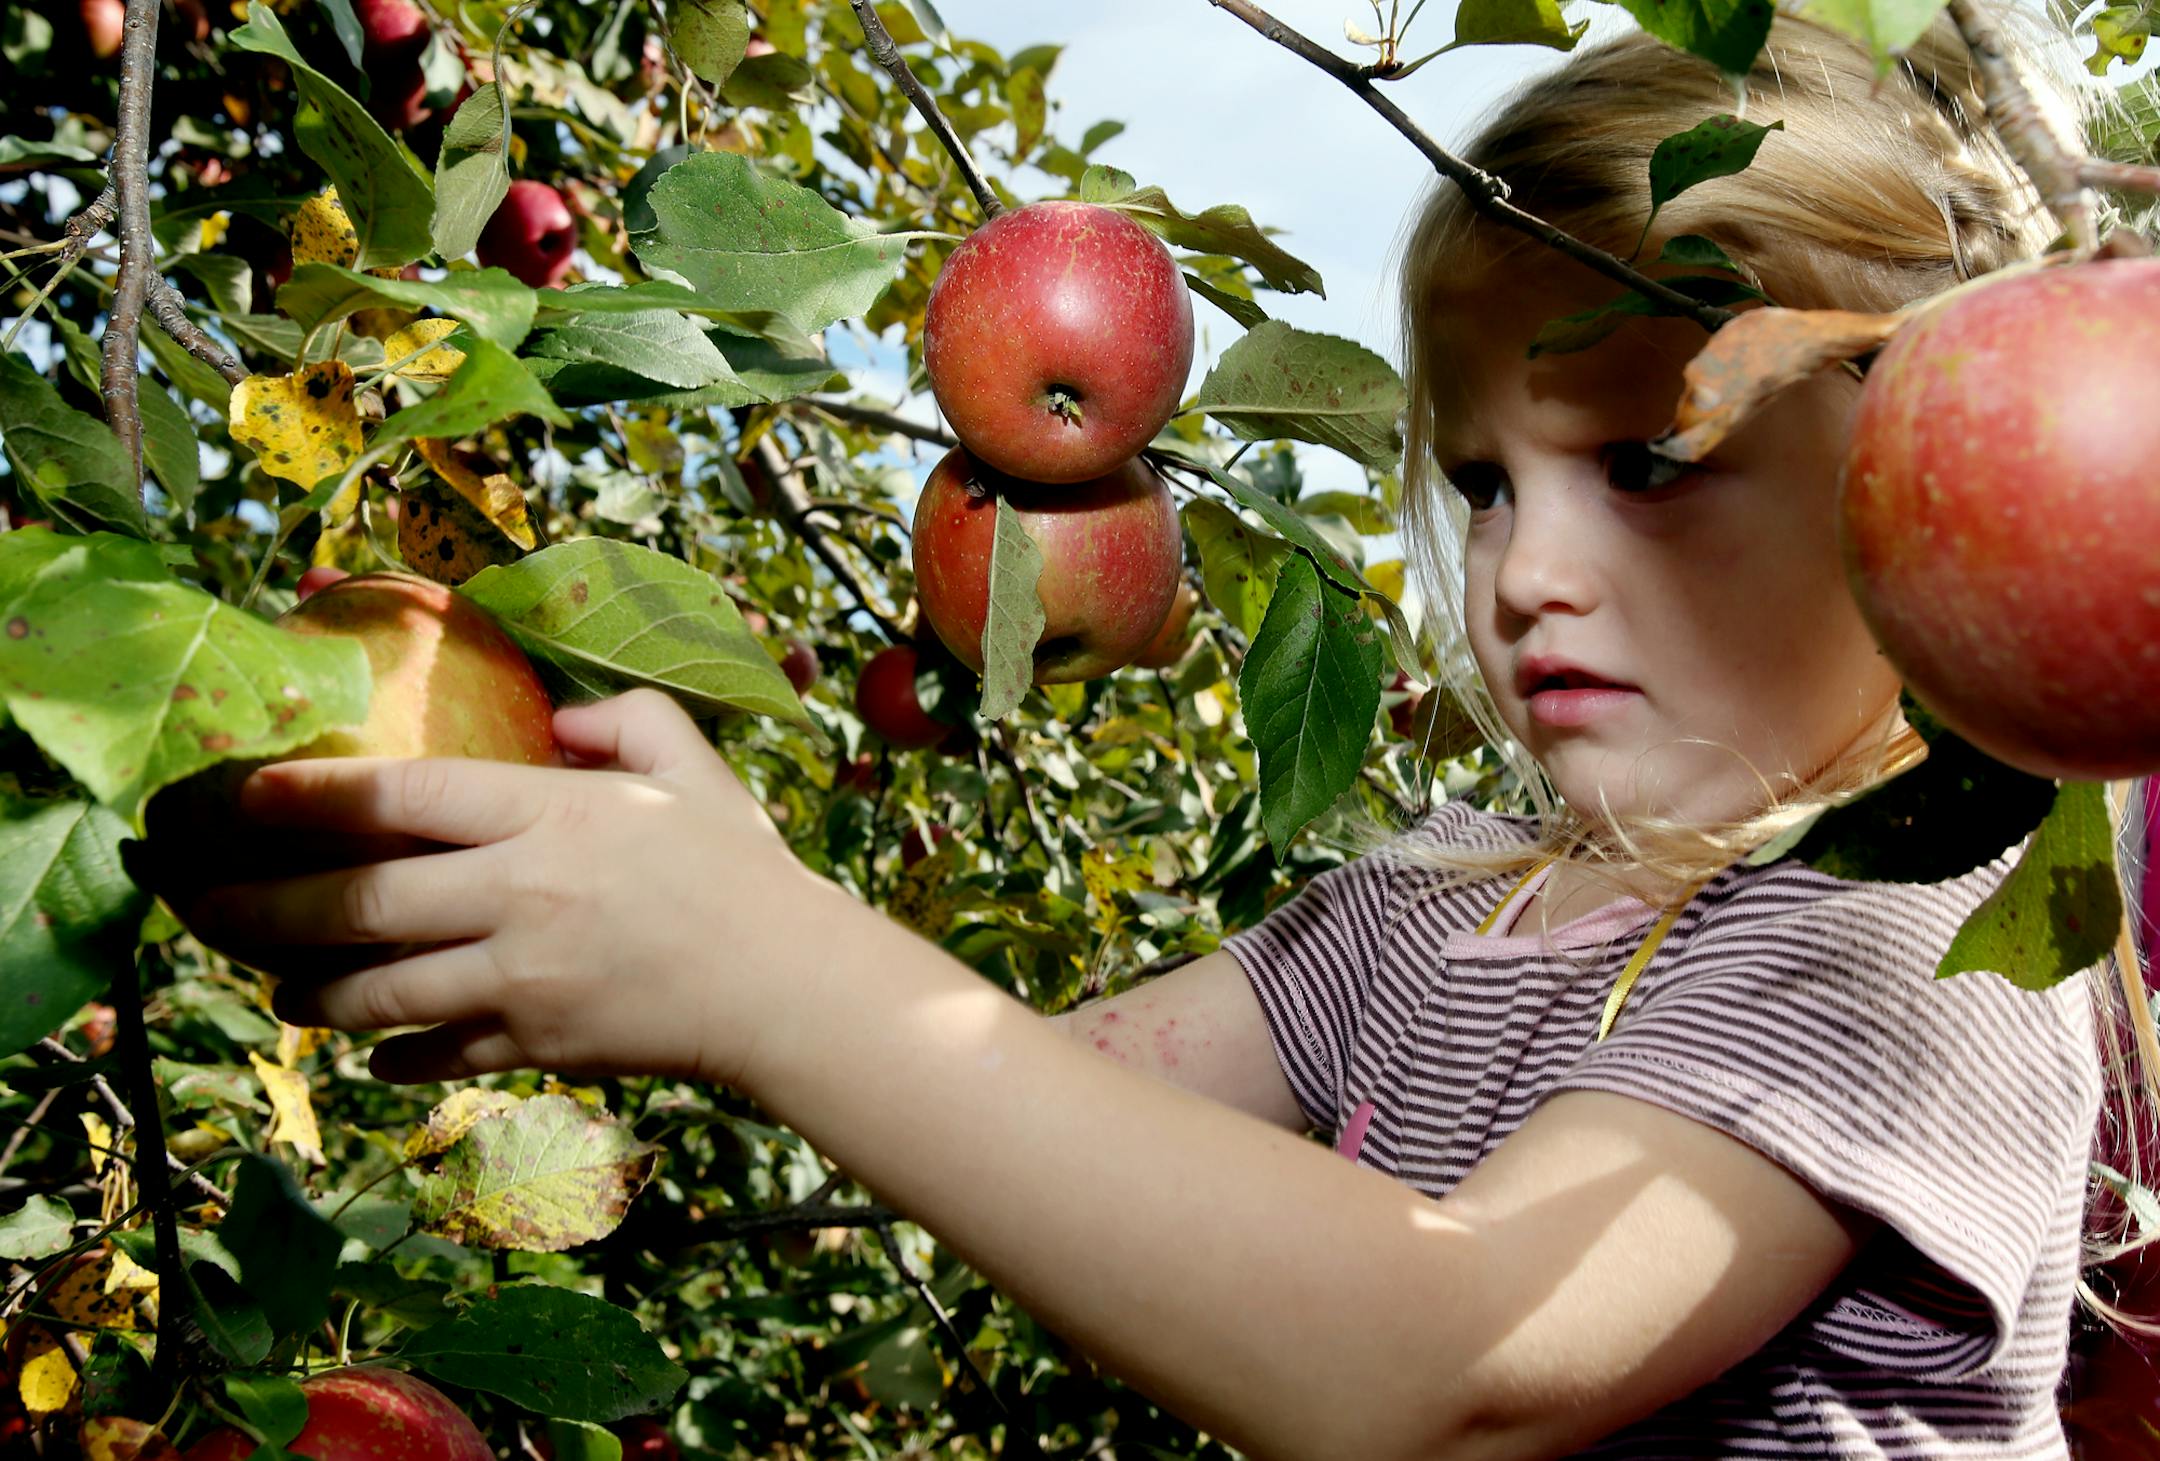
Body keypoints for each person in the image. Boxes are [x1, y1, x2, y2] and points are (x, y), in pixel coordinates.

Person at [149, 2, 2159, 1456]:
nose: (1525, 568)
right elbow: (1010, 1089)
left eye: (1643, 461)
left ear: (1903, 477)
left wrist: (767, 977)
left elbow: (1443, 1356)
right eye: (1478, 481)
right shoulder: (1435, 905)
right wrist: (692, 911)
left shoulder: (1924, 930)